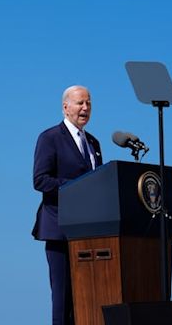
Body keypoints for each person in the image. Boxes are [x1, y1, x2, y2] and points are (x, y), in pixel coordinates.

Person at [32, 85, 102, 325]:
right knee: (62, 301)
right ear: (65, 107)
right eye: (80, 103)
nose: (85, 108)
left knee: (85, 298)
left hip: (89, 232)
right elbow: (40, 180)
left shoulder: (94, 142)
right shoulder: (49, 138)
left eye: (89, 103)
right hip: (60, 229)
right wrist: (76, 187)